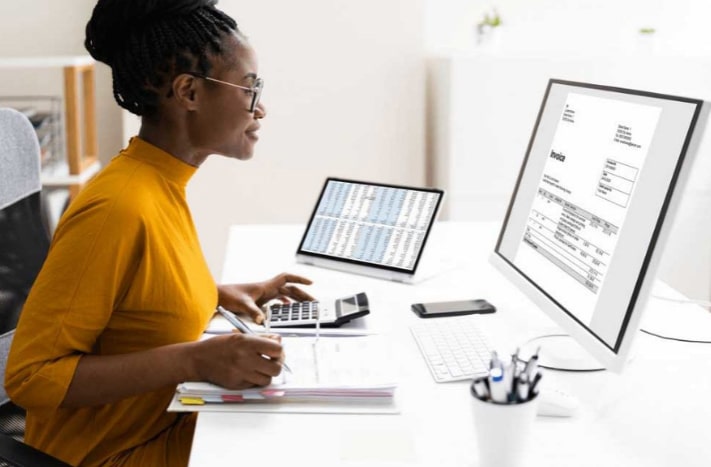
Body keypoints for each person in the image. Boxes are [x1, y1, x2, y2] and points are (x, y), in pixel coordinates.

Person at [4, 1, 313, 465]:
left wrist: (219, 294)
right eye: (250, 88)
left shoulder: (162, 181)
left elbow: (138, 304)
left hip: (167, 427)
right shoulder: (119, 208)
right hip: (114, 455)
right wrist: (194, 360)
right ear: (188, 92)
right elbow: (31, 377)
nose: (260, 107)